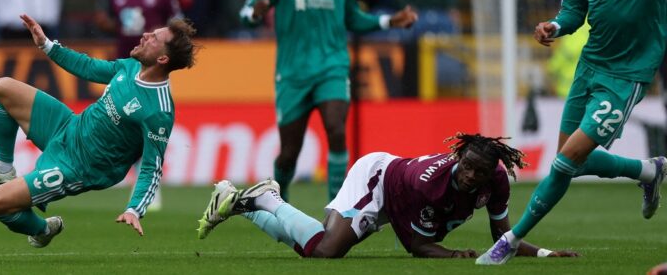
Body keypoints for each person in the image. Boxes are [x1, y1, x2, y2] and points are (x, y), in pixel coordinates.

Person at [478, 0, 667, 265]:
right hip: (590, 66)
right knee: (569, 159)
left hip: (627, 73)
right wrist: (556, 26)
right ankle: (648, 171)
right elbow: (574, 10)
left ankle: (510, 240)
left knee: (566, 160)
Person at [0, 13, 198, 247]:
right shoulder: (131, 66)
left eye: (155, 38)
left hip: (79, 167)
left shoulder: (158, 111)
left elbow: (151, 168)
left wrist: (135, 208)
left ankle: (43, 230)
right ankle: (2, 166)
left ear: (163, 59)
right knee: (2, 88)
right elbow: (89, 68)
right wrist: (47, 45)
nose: (145, 35)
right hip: (68, 127)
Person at [237, 0, 417, 203]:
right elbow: (246, 12)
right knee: (288, 153)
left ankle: (337, 206)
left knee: (335, 129)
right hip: (293, 72)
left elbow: (353, 18)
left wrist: (388, 21)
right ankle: (278, 203)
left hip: (332, 66)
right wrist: (255, 14)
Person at [197, 133, 579, 260]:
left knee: (310, 247)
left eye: (479, 172)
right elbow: (415, 245)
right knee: (327, 250)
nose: (470, 176)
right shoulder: (431, 185)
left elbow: (502, 236)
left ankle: (248, 205)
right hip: (378, 179)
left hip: (398, 191)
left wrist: (545, 254)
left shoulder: (496, 180)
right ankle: (269, 199)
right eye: (467, 167)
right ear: (459, 158)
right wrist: (451, 255)